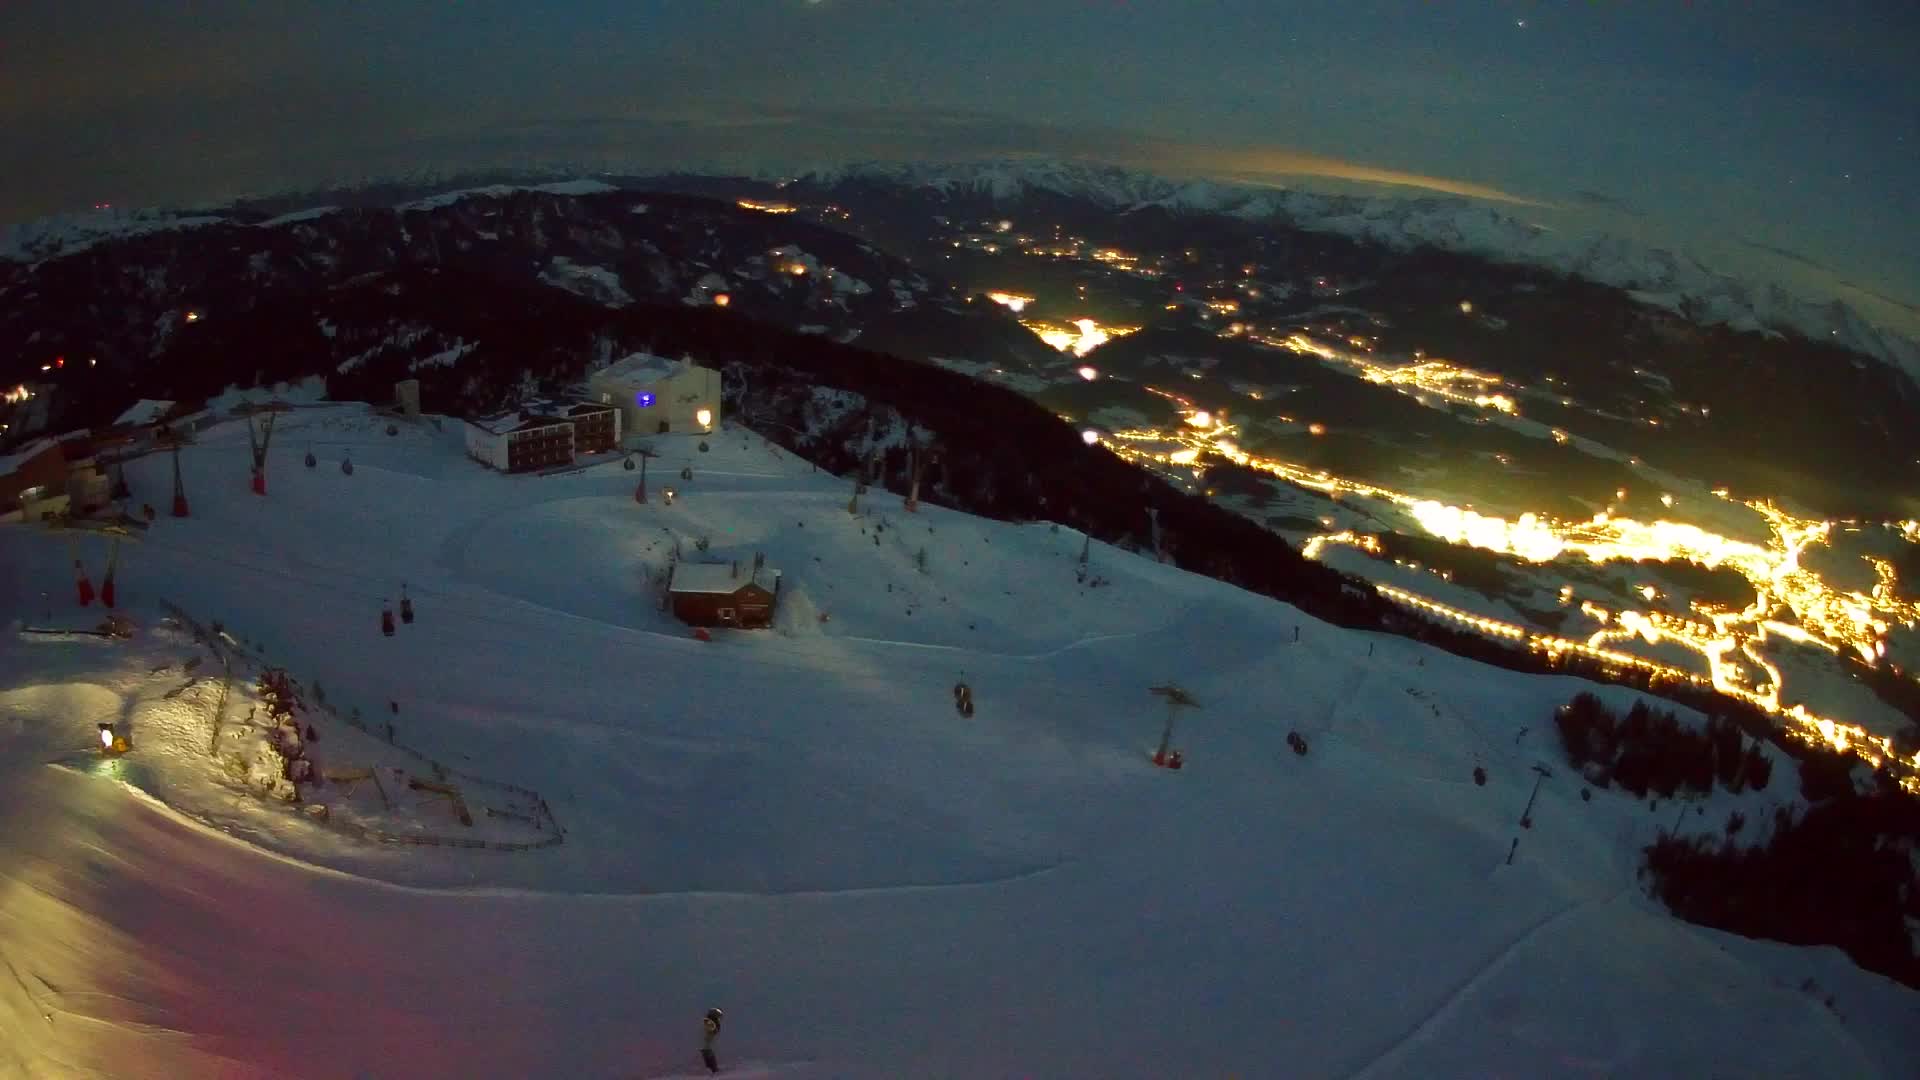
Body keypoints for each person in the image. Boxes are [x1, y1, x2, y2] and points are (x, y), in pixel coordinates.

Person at [701, 1007, 724, 1074]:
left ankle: (712, 1069)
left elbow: (713, 1031)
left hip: (708, 1043)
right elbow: (710, 1031)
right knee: (708, 1053)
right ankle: (712, 1069)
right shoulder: (710, 1021)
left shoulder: (711, 1021)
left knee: (708, 1052)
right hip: (706, 1043)